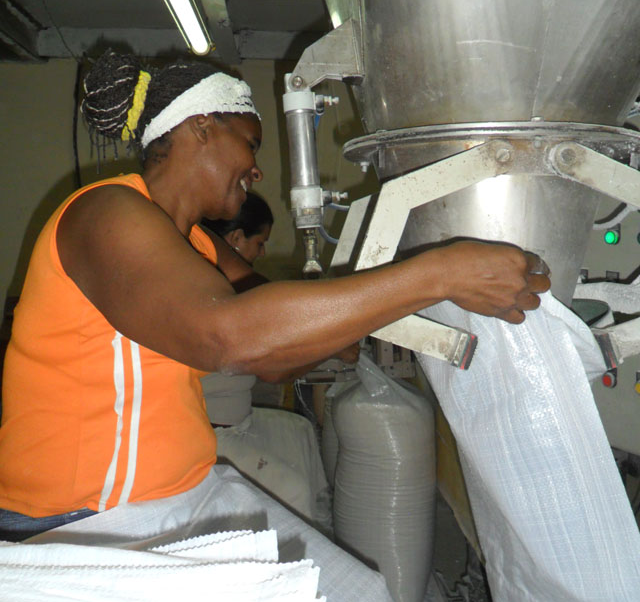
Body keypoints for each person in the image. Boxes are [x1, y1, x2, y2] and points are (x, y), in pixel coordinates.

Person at [0, 49, 550, 541]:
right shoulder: (106, 213)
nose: (257, 169)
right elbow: (234, 337)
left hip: (164, 502)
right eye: (251, 144)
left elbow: (275, 354)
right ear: (201, 129)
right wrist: (440, 273)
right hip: (78, 522)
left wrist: (350, 325)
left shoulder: (195, 243)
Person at [199, 195, 333, 531]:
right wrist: (332, 347)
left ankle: (321, 524)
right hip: (213, 436)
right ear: (235, 239)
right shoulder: (218, 292)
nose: (262, 253)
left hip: (240, 422)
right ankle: (300, 560)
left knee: (301, 430)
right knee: (292, 489)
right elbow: (277, 371)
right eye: (260, 243)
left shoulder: (234, 287)